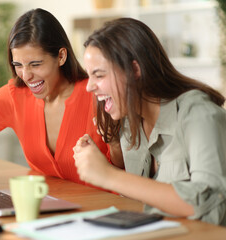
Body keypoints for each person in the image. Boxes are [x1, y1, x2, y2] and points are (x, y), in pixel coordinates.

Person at [0, 8, 123, 186]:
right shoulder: (15, 96)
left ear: (61, 56)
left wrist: (114, 143)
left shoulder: (97, 93)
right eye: (18, 64)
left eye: (35, 64)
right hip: (47, 208)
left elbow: (125, 170)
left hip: (102, 209)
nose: (25, 75)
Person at [73, 17, 226, 225]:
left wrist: (108, 175)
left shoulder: (198, 114)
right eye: (89, 76)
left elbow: (211, 205)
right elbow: (141, 198)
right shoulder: (128, 122)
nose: (89, 87)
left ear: (135, 70)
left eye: (99, 75)